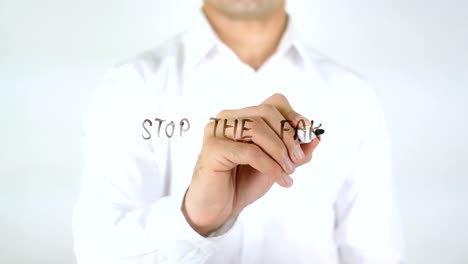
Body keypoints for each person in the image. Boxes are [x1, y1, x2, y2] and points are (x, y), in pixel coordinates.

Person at [72, 0, 404, 263]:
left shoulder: (352, 96)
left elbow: (373, 253)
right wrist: (194, 218)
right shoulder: (131, 86)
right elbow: (99, 251)